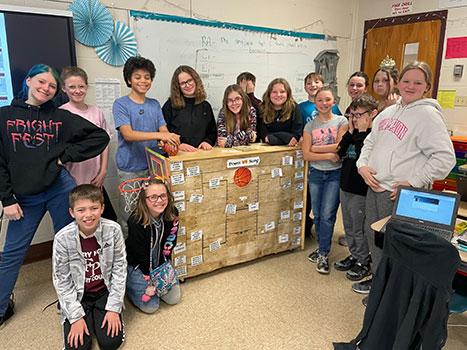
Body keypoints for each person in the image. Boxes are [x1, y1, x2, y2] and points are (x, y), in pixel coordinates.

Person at [0, 64, 109, 328]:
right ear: (28, 80)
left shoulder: (60, 117)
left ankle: (72, 298)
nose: (46, 88)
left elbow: (99, 137)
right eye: (41, 82)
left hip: (59, 188)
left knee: (72, 245)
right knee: (12, 253)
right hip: (24, 196)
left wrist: (65, 157)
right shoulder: (4, 116)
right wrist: (7, 200)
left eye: (51, 85)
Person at [355, 61, 456, 304]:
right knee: (376, 241)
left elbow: (445, 158)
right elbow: (369, 143)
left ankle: (395, 297)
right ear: (398, 83)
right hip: (375, 189)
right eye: (406, 81)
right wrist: (362, 166)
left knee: (398, 250)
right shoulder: (388, 112)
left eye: (417, 82)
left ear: (427, 87)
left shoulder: (429, 115)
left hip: (401, 197)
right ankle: (381, 288)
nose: (410, 86)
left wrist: (413, 182)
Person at [52, 184, 126, 350]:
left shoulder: (114, 230)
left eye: (94, 208)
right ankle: (84, 315)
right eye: (81, 210)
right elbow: (62, 281)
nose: (88, 215)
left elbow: (119, 271)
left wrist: (114, 308)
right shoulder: (62, 238)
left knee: (110, 343)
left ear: (102, 208)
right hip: (79, 294)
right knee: (77, 347)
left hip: (103, 291)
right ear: (72, 212)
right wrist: (76, 318)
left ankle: (100, 314)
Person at [113, 56, 180, 237]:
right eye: (137, 77)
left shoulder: (154, 104)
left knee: (154, 212)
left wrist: (172, 141)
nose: (143, 81)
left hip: (154, 169)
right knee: (130, 216)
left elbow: (164, 132)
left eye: (147, 77)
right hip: (130, 169)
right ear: (129, 79)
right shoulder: (121, 104)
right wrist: (161, 135)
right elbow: (128, 134)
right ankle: (128, 259)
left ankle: (149, 252)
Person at [60, 66, 116, 221]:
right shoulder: (61, 113)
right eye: (72, 87)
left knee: (107, 219)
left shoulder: (96, 111)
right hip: (73, 180)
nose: (77, 91)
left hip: (95, 179)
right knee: (79, 221)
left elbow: (104, 143)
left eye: (81, 86)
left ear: (86, 87)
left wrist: (103, 170)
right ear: (64, 88)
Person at [302, 87, 348, 274]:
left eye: (328, 100)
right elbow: (306, 154)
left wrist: (316, 148)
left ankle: (323, 253)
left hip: (335, 175)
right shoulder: (310, 126)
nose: (324, 103)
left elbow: (340, 147)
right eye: (320, 100)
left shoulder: (341, 121)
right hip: (315, 174)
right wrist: (329, 154)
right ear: (315, 103)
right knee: (318, 215)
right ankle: (322, 246)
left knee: (328, 215)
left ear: (334, 102)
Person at [333, 94, 378, 282]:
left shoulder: (372, 137)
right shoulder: (353, 134)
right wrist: (350, 133)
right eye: (352, 115)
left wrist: (360, 133)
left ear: (373, 114)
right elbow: (339, 153)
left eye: (359, 115)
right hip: (346, 186)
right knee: (349, 226)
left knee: (359, 228)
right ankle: (354, 255)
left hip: (361, 190)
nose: (354, 119)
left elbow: (363, 157)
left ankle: (363, 261)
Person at [125, 177, 180, 314]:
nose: (159, 201)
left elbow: (171, 240)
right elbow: (140, 253)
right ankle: (130, 284)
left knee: (174, 298)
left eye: (163, 196)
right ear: (145, 199)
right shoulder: (136, 220)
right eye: (153, 197)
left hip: (161, 263)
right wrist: (148, 276)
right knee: (151, 307)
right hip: (139, 265)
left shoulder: (173, 213)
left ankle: (156, 286)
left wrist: (163, 271)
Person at [162, 65, 217, 152]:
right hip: (178, 154)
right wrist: (178, 145)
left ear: (196, 80)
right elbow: (163, 134)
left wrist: (207, 142)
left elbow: (212, 132)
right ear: (178, 87)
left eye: (190, 80)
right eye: (183, 83)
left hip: (201, 154)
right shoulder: (170, 106)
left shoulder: (205, 106)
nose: (187, 85)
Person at [257, 78, 303, 146]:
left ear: (288, 93)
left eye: (282, 92)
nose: (278, 95)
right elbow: (264, 136)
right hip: (267, 149)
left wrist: (272, 138)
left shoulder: (294, 107)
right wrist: (286, 137)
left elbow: (296, 136)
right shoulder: (262, 108)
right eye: (274, 92)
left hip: (290, 149)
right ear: (269, 93)